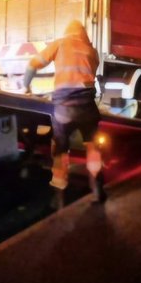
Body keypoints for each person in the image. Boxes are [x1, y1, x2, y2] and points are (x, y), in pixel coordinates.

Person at [24, 19, 106, 207]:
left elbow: (33, 64)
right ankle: (96, 190)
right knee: (93, 148)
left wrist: (26, 86)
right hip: (87, 108)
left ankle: (59, 198)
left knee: (60, 151)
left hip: (64, 109)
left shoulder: (60, 43)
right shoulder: (91, 51)